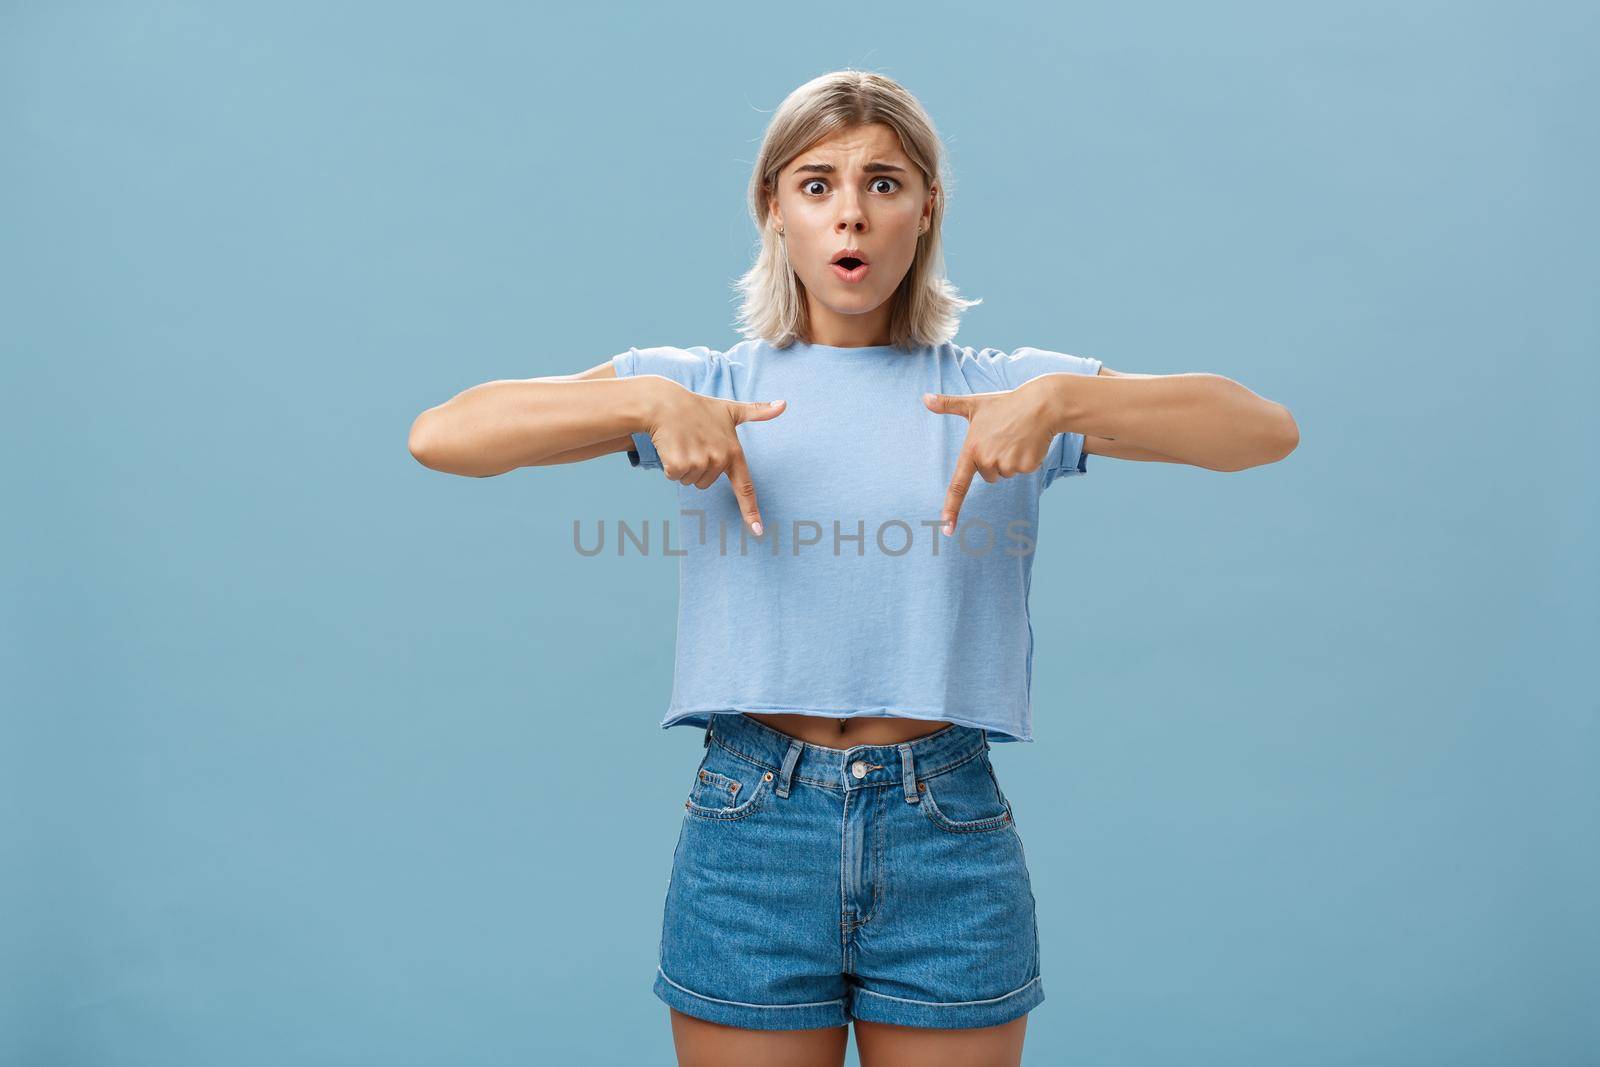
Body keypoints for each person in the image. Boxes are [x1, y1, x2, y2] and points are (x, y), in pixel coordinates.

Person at [408, 69, 1297, 1067]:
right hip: (750, 826)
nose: (853, 213)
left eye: (883, 183)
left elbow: (1260, 429)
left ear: (925, 211)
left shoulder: (998, 392)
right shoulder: (707, 385)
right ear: (773, 211)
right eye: (817, 182)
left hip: (942, 828)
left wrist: (1063, 404)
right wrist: (645, 406)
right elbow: (445, 435)